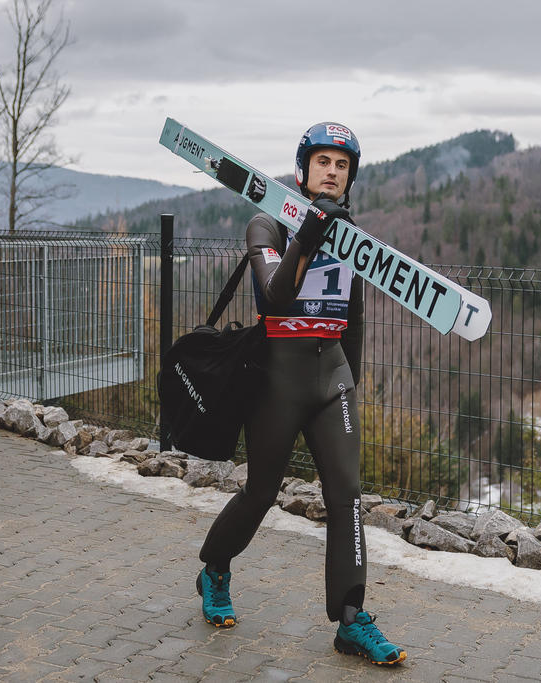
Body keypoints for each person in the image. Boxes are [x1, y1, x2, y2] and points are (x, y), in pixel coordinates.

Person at [195, 122, 406, 666]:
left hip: (331, 379)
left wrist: (351, 381)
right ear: (302, 169)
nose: (332, 172)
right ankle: (214, 569)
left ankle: (351, 619)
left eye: (342, 165)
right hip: (277, 381)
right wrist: (310, 233)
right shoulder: (266, 223)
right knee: (261, 492)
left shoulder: (351, 235)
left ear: (350, 177)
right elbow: (273, 298)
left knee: (347, 496)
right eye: (323, 162)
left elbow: (353, 319)